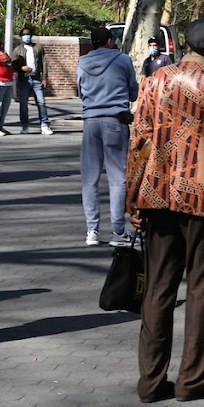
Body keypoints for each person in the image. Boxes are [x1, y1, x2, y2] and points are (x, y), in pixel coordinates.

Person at [128, 18, 204, 401]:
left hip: (159, 187)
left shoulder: (156, 79)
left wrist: (133, 196)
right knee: (202, 290)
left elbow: (140, 140)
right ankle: (191, 380)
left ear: (183, 43)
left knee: (158, 288)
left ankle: (149, 380)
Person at [75, 26, 140, 246]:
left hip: (90, 122)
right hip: (115, 121)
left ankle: (92, 231)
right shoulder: (123, 60)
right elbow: (133, 92)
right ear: (110, 41)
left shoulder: (82, 62)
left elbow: (80, 91)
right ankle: (118, 232)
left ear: (92, 42)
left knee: (89, 179)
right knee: (117, 179)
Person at [16, 27, 51, 135]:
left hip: (36, 79)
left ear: (31, 36)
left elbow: (44, 63)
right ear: (21, 36)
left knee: (41, 102)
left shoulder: (38, 48)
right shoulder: (18, 50)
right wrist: (21, 68)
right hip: (24, 80)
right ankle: (25, 126)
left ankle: (44, 125)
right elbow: (13, 64)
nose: (26, 36)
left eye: (28, 34)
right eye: (24, 35)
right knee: (23, 104)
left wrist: (44, 78)